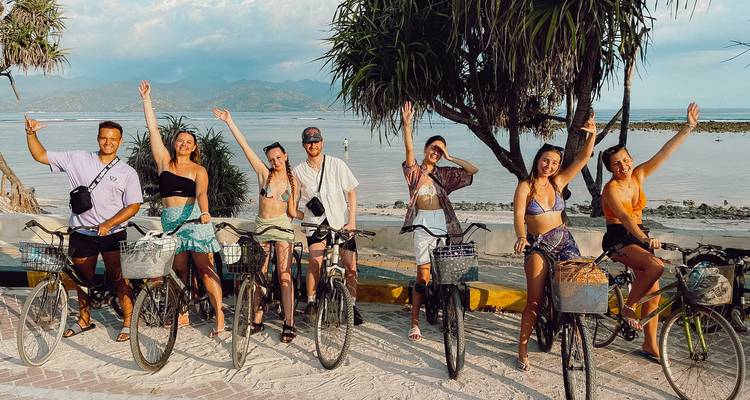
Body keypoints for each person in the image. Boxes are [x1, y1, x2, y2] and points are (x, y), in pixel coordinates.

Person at [24, 116, 142, 342]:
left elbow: (134, 205)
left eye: (113, 139)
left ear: (120, 141)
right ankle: (84, 319)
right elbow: (40, 155)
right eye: (104, 138)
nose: (108, 142)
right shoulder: (77, 158)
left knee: (119, 278)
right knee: (82, 280)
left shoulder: (127, 172)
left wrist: (109, 224)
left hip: (113, 233)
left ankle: (128, 321)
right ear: (98, 138)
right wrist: (31, 134)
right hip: (82, 231)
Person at [600, 102, 700, 363]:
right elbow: (623, 218)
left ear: (630, 158)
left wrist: (688, 128)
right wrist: (645, 239)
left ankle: (648, 344)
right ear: (610, 169)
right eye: (616, 164)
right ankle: (628, 309)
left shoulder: (639, 175)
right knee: (655, 267)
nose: (623, 166)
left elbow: (664, 152)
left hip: (640, 235)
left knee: (654, 293)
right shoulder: (611, 190)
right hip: (619, 238)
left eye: (625, 160)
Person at [512, 112, 597, 371]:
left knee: (578, 289)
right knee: (534, 301)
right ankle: (523, 348)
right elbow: (517, 215)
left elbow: (583, 158)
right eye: (545, 160)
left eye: (554, 162)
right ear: (538, 160)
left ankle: (575, 335)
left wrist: (591, 135)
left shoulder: (558, 183)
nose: (549, 165)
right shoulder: (525, 186)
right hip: (538, 244)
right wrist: (521, 237)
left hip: (563, 240)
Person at [139, 80, 225, 337]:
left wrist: (205, 212)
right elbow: (153, 130)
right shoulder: (164, 161)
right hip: (170, 221)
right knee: (178, 270)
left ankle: (219, 314)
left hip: (195, 220)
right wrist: (146, 100)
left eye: (189, 142)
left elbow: (201, 194)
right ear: (174, 143)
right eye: (180, 140)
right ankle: (182, 312)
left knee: (204, 269)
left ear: (195, 147)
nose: (184, 144)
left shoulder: (199, 170)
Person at [213, 108, 299, 343]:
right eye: (272, 159)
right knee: (258, 276)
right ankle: (257, 320)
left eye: (279, 157)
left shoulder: (294, 182)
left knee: (283, 276)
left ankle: (289, 323)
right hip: (262, 229)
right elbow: (245, 147)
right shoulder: (264, 174)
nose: (275, 161)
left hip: (283, 230)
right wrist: (230, 122)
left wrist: (311, 215)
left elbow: (292, 212)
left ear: (286, 156)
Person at [400, 101, 479, 341]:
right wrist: (407, 125)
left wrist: (450, 156)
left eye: (440, 150)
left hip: (444, 224)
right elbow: (409, 153)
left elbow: (472, 170)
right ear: (426, 149)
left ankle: (450, 310)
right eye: (433, 148)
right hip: (423, 223)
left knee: (449, 274)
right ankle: (414, 321)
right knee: (422, 276)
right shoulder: (415, 173)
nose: (436, 152)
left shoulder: (445, 174)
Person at [292, 127, 362, 324]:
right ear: (303, 145)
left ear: (322, 143)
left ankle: (352, 305)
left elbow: (352, 192)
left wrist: (352, 221)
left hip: (341, 221)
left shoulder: (336, 164)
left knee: (351, 267)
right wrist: (303, 215)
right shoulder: (298, 172)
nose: (312, 145)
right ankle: (312, 301)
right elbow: (294, 203)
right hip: (316, 225)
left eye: (315, 141)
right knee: (314, 261)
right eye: (308, 141)